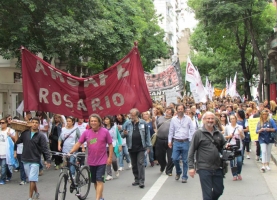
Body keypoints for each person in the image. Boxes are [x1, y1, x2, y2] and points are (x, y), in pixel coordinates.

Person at [69, 114, 113, 200]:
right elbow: (79, 143)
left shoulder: (105, 131)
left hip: (102, 160)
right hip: (91, 161)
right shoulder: (86, 132)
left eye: (95, 121)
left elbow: (110, 144)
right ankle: (101, 197)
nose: (93, 123)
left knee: (99, 180)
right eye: (91, 121)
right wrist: (71, 152)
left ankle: (97, 199)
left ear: (99, 122)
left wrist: (110, 157)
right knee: (95, 182)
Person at [188, 112, 226, 200]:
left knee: (219, 190)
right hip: (204, 168)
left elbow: (223, 145)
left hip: (217, 167)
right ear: (204, 120)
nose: (210, 120)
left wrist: (226, 146)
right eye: (208, 118)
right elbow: (191, 151)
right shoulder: (198, 133)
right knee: (207, 194)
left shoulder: (218, 133)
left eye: (212, 119)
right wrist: (191, 167)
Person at [14, 117, 51, 200]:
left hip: (35, 160)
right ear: (31, 123)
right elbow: (17, 142)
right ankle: (37, 192)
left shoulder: (41, 136)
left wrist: (48, 160)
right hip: (25, 159)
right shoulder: (25, 133)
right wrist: (16, 131)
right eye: (33, 122)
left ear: (38, 125)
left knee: (32, 179)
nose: (34, 124)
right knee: (32, 179)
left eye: (36, 122)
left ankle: (30, 197)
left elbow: (45, 149)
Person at [122, 108, 151, 189]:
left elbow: (147, 134)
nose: (131, 117)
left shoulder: (143, 123)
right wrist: (124, 133)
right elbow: (121, 135)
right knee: (134, 164)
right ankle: (137, 179)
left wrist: (148, 146)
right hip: (131, 147)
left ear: (137, 115)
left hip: (141, 147)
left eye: (133, 115)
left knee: (140, 163)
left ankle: (142, 181)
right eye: (130, 115)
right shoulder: (127, 123)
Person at [168, 104, 196, 183]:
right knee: (174, 158)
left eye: (181, 109)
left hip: (185, 141)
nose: (180, 110)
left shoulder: (188, 119)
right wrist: (169, 141)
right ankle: (178, 171)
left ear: (184, 110)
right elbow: (171, 131)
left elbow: (192, 130)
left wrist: (190, 140)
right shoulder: (173, 119)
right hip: (176, 141)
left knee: (185, 160)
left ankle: (184, 176)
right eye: (178, 109)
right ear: (176, 110)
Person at [224, 115, 245, 181]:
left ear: (236, 119)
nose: (232, 120)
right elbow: (224, 137)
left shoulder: (240, 127)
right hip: (231, 146)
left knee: (239, 161)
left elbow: (243, 137)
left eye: (233, 118)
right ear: (229, 120)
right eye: (231, 119)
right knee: (232, 161)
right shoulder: (227, 127)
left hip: (238, 146)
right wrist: (229, 136)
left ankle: (239, 173)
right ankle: (234, 174)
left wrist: (241, 133)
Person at [155, 107, 174, 176]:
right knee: (159, 155)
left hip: (170, 140)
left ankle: (169, 170)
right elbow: (156, 126)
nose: (167, 111)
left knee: (171, 156)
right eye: (166, 110)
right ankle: (163, 165)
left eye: (169, 110)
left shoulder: (174, 119)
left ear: (172, 112)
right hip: (160, 139)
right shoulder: (160, 118)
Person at [103, 115, 122, 181]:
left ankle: (116, 170)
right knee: (107, 160)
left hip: (113, 145)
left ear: (110, 120)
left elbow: (118, 136)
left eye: (107, 119)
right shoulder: (103, 128)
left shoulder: (114, 127)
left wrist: (120, 145)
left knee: (113, 159)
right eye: (105, 119)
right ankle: (109, 174)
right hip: (105, 146)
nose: (106, 121)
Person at [0, 118, 16, 184]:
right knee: (5, 166)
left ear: (6, 123)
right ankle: (9, 174)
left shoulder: (10, 130)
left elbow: (15, 140)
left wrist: (11, 135)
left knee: (3, 166)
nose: (1, 124)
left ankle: (2, 179)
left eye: (3, 123)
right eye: (0, 123)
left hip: (5, 152)